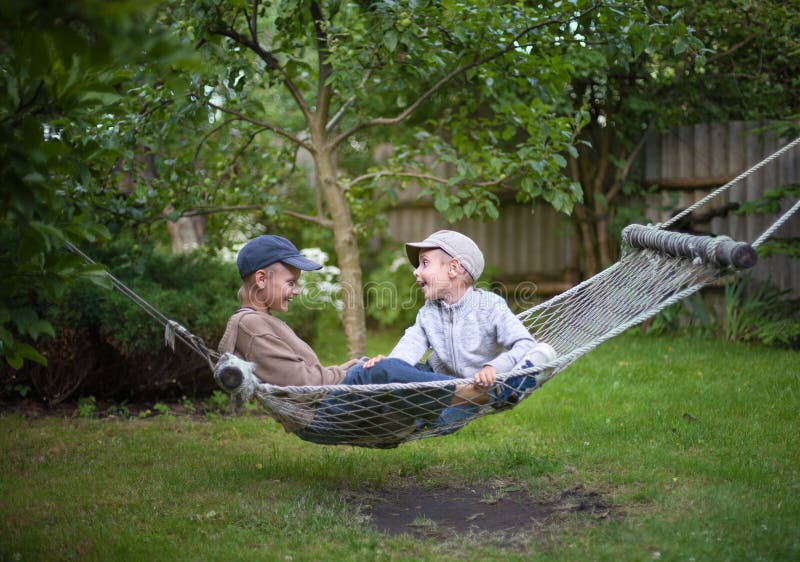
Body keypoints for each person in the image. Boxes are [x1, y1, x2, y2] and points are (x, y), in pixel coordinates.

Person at [217, 234, 491, 446]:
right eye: (291, 282)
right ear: (262, 279)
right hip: (322, 410)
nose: (297, 291)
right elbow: (302, 384)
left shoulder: (258, 321)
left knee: (414, 375)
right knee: (388, 371)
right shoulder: (251, 324)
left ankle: (487, 382)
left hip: (327, 403)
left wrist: (352, 366)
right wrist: (352, 371)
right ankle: (475, 391)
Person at [365, 230, 557, 427]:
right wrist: (392, 365)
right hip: (435, 379)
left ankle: (509, 387)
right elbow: (411, 342)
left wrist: (495, 368)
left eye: (424, 263)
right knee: (375, 371)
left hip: (473, 391)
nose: (415, 271)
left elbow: (525, 343)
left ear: (454, 268)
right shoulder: (429, 312)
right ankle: (380, 408)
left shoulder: (490, 306)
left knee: (436, 420)